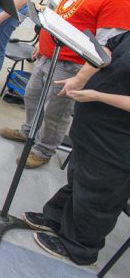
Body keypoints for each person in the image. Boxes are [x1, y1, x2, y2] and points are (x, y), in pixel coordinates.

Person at [0, 0, 130, 168]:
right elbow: (63, 15)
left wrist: (79, 80)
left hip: (71, 65)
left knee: (55, 112)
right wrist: (42, 43)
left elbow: (105, 49)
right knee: (31, 96)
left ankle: (43, 149)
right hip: (50, 55)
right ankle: (28, 132)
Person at [23, 30, 130, 266]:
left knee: (98, 193)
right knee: (79, 178)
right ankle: (57, 218)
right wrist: (81, 77)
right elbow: (110, 47)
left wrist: (98, 95)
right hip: (94, 125)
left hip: (118, 140)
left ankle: (80, 247)